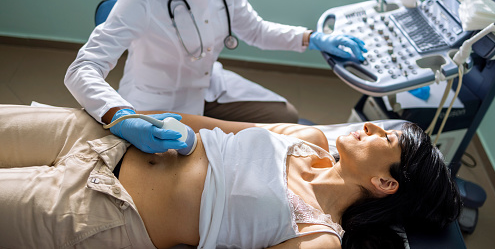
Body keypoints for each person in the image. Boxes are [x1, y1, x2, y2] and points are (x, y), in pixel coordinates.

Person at [64, 0, 367, 153]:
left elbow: (254, 29)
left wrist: (312, 39)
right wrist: (120, 116)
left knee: (286, 117)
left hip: (211, 85)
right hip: (162, 104)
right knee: (219, 161)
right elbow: (82, 68)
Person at [0, 104, 461, 249]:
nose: (373, 126)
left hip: (99, 207)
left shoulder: (318, 236)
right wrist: (136, 118)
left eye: (387, 139)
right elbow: (207, 127)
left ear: (386, 183)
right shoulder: (310, 139)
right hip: (101, 136)